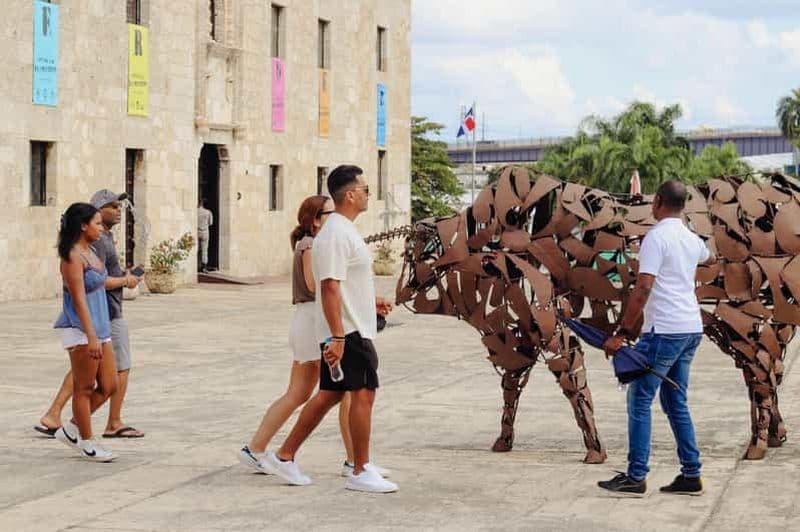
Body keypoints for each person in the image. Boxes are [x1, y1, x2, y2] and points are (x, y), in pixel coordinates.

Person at [265, 165, 397, 493]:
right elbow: (329, 288)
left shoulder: (342, 230)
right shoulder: (336, 233)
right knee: (363, 395)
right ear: (350, 194)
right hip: (348, 332)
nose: (369, 194)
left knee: (330, 395)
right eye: (365, 189)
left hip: (351, 325)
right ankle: (360, 469)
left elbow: (347, 284)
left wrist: (370, 304)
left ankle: (285, 455)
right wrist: (337, 336)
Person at [599, 180, 716, 497]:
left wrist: (622, 332)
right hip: (690, 328)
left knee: (639, 400)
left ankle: (636, 476)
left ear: (659, 202)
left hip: (664, 330)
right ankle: (691, 475)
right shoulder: (690, 239)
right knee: (675, 401)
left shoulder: (655, 238)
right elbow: (709, 256)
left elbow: (644, 287)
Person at [35, 190, 144, 439]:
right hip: (95, 321)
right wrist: (125, 281)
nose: (118, 210)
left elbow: (100, 277)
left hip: (101, 321)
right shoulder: (79, 252)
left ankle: (61, 418)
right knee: (95, 379)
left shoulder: (93, 246)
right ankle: (94, 432)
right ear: (87, 222)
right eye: (111, 206)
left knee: (101, 381)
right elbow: (81, 296)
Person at [53, 203, 118, 462]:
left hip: (100, 326)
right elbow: (79, 300)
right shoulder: (71, 257)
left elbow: (101, 283)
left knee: (110, 384)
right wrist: (90, 336)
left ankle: (71, 428)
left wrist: (125, 278)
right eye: (97, 223)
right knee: (84, 387)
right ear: (83, 225)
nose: (101, 228)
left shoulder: (90, 251)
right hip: (81, 329)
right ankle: (87, 442)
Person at [197, 198, 213, 273]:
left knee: (197, 249)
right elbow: (210, 223)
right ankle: (204, 266)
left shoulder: (195, 212)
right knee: (204, 249)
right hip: (205, 231)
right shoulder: (208, 212)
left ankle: (197, 265)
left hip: (197, 231)